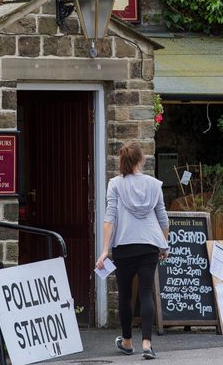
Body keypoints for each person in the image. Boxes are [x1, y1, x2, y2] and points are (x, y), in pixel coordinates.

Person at [95, 141, 169, 360]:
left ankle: (127, 341)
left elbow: (110, 218)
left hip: (124, 246)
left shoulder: (115, 184)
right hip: (149, 245)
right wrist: (163, 244)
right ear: (141, 159)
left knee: (125, 295)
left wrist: (104, 250)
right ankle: (147, 344)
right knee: (146, 293)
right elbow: (162, 218)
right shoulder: (155, 184)